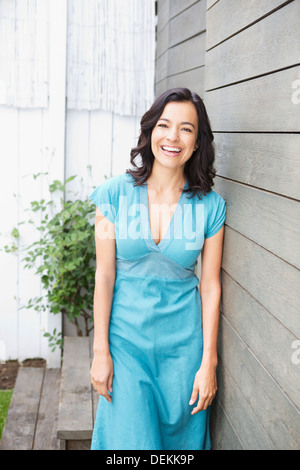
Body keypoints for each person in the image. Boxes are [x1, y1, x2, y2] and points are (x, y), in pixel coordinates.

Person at [89, 87, 226, 450]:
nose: (173, 136)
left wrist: (207, 363)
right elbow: (104, 277)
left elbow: (210, 286)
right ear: (150, 132)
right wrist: (100, 351)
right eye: (164, 125)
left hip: (182, 351)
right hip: (125, 345)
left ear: (197, 142)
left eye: (186, 129)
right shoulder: (111, 195)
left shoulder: (212, 208)